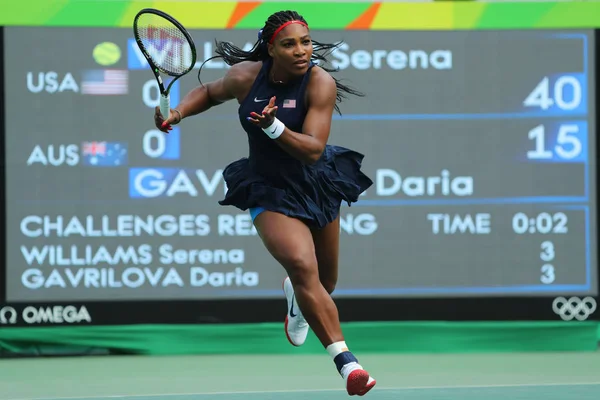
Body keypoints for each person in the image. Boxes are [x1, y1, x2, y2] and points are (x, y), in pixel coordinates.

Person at [154, 10, 376, 396]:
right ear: (271, 48)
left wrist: (273, 127)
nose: (301, 51)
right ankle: (348, 365)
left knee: (325, 282)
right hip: (267, 186)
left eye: (305, 42)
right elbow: (209, 92)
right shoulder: (245, 76)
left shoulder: (318, 83)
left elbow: (312, 150)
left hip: (315, 182)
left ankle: (295, 300)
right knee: (301, 263)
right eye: (289, 44)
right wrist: (178, 112)